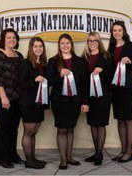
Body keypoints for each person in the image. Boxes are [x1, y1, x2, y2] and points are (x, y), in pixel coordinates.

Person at [46, 33, 89, 170]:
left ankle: (69, 157)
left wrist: (85, 102)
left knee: (71, 128)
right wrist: (59, 75)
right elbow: (48, 81)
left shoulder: (80, 61)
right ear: (59, 45)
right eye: (62, 43)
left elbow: (84, 83)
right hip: (59, 101)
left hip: (75, 101)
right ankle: (63, 160)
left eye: (67, 43)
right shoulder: (53, 61)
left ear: (71, 44)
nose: (65, 46)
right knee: (62, 129)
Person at [0, 28, 25, 168]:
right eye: (8, 38)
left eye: (14, 38)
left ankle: (13, 155)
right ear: (3, 40)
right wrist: (4, 97)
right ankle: (2, 157)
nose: (11, 40)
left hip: (17, 98)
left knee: (13, 128)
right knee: (3, 128)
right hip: (1, 99)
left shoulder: (19, 55)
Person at [107, 21, 132, 163]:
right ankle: (123, 150)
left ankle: (129, 152)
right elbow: (110, 69)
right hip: (115, 88)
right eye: (114, 30)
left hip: (129, 88)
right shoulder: (110, 48)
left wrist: (130, 62)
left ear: (124, 31)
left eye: (119, 30)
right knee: (120, 119)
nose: (117, 33)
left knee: (128, 119)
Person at [82, 32, 112, 166]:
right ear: (87, 43)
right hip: (90, 95)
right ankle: (96, 152)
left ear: (99, 42)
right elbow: (82, 77)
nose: (92, 43)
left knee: (101, 124)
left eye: (95, 40)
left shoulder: (106, 56)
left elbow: (113, 75)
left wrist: (103, 71)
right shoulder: (85, 57)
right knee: (93, 123)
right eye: (89, 40)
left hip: (103, 95)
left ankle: (99, 154)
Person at [18, 37, 48, 169]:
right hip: (28, 103)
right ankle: (29, 160)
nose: (38, 49)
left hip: (39, 103)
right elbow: (20, 85)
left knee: (34, 132)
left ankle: (33, 157)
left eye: (40, 46)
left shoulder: (42, 64)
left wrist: (46, 105)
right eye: (35, 46)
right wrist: (34, 80)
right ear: (31, 48)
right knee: (29, 132)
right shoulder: (25, 63)